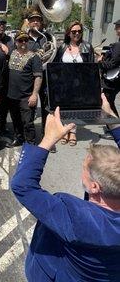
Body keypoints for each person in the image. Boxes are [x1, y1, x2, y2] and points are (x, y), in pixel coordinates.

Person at [11, 95, 120, 282]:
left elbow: (22, 186)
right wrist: (111, 120)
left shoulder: (74, 216)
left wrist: (47, 139)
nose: (82, 169)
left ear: (94, 187)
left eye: (84, 168)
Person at [54, 21, 95, 146]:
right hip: (64, 84)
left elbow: (91, 68)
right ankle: (65, 131)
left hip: (80, 85)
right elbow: (55, 65)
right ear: (68, 33)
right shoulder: (62, 47)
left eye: (79, 31)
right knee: (65, 109)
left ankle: (73, 132)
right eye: (73, 31)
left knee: (75, 109)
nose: (77, 33)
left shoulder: (87, 46)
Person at [8, 32, 43, 144]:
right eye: (20, 40)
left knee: (28, 122)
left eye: (25, 40)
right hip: (12, 96)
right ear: (15, 42)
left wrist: (34, 95)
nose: (23, 43)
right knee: (16, 120)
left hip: (26, 96)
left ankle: (30, 143)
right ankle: (18, 138)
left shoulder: (34, 57)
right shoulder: (11, 53)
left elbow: (38, 76)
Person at [26, 8, 53, 134]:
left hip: (45, 77)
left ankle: (46, 135)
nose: (35, 22)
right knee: (29, 107)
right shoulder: (24, 38)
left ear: (41, 23)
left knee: (46, 109)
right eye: (33, 20)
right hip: (29, 78)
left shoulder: (47, 37)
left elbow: (53, 55)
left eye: (38, 20)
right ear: (29, 23)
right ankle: (29, 136)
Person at [97, 19, 120, 116]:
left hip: (112, 81)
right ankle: (113, 126)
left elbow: (112, 64)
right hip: (115, 81)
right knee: (108, 102)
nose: (115, 29)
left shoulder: (118, 45)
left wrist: (100, 61)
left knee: (108, 103)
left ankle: (116, 126)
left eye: (117, 27)